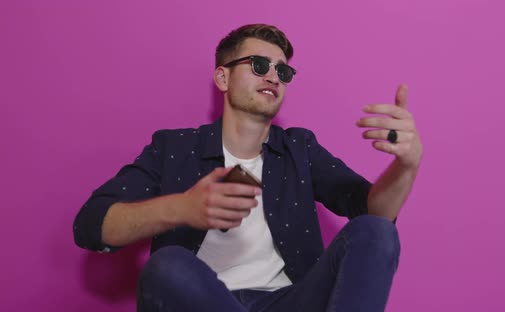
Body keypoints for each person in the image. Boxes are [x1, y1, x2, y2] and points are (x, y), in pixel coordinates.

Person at [73, 23, 423, 312]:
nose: (273, 76)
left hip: (291, 302)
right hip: (205, 301)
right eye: (259, 65)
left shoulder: (299, 148)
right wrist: (181, 208)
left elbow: (374, 211)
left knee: (377, 232)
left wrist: (407, 165)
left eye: (282, 71)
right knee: (166, 265)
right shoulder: (174, 148)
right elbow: (91, 225)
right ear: (223, 79)